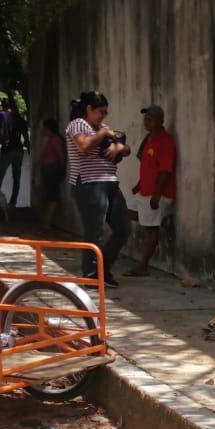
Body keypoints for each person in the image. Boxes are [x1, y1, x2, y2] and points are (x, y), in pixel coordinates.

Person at [66, 91, 131, 287]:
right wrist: (103, 134)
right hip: (89, 183)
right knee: (95, 231)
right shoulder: (78, 124)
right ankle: (91, 274)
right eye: (100, 112)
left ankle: (103, 269)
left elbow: (125, 147)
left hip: (110, 182)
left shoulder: (104, 127)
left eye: (105, 113)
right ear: (89, 110)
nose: (103, 117)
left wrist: (119, 148)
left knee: (123, 228)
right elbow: (83, 146)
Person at [126, 104, 178, 276]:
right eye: (145, 119)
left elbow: (165, 170)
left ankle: (143, 266)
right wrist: (139, 185)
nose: (146, 122)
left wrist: (157, 193)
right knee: (123, 210)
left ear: (160, 121)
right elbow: (148, 166)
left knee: (150, 230)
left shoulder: (165, 142)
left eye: (150, 119)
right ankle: (161, 220)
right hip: (144, 191)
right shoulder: (149, 139)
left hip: (156, 193)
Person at [0, 96, 29, 207]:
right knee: (16, 176)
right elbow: (25, 133)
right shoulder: (19, 117)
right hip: (18, 149)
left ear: (3, 106)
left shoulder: (2, 115)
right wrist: (27, 144)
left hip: (7, 149)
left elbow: (1, 132)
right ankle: (13, 202)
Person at [36, 118, 65, 229]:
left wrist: (63, 169)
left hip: (52, 170)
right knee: (49, 195)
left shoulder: (55, 140)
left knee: (52, 196)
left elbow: (60, 156)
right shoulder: (51, 140)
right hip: (48, 170)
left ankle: (47, 223)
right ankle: (46, 221)